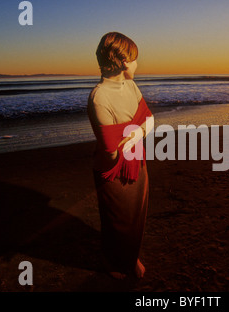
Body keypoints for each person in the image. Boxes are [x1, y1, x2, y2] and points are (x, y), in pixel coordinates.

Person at [87, 32, 154, 280]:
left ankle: (130, 256)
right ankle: (112, 259)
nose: (137, 64)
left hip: (138, 160)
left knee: (137, 215)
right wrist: (139, 130)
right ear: (125, 62)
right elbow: (111, 154)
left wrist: (133, 134)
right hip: (112, 170)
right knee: (117, 219)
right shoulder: (99, 97)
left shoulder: (131, 85)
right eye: (135, 59)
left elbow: (150, 119)